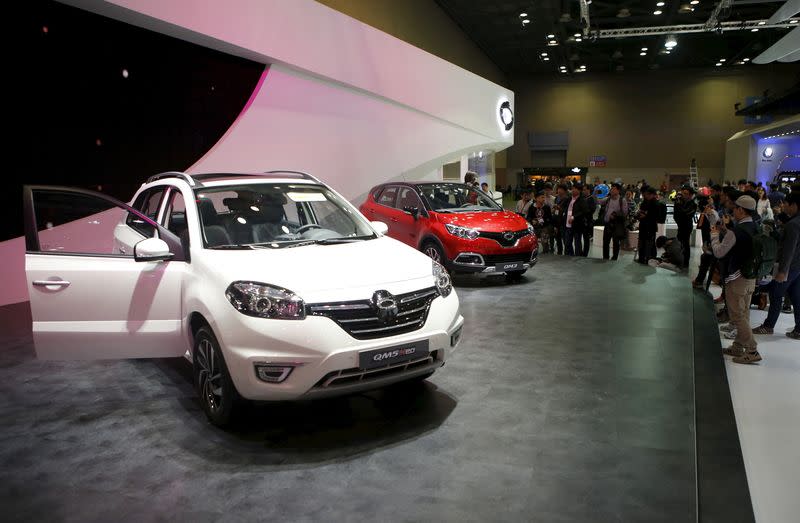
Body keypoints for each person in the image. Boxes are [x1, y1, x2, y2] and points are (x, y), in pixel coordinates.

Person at [711, 195, 761, 364]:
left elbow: (719, 252)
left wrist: (714, 235)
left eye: (734, 208)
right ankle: (738, 346)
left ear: (741, 210)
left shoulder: (736, 231)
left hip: (736, 278)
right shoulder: (756, 227)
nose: (732, 212)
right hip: (750, 277)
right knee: (744, 313)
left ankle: (752, 350)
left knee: (737, 316)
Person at [751, 192, 800, 339]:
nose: (784, 206)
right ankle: (799, 329)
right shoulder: (795, 222)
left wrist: (783, 271)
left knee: (776, 294)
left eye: (786, 203)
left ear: (794, 205)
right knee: (796, 297)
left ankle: (768, 326)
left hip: (789, 267)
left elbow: (789, 249)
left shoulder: (793, 224)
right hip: (797, 267)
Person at [636, 186, 665, 264]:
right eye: (646, 194)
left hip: (650, 227)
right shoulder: (645, 202)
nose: (647, 196)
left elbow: (657, 217)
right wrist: (640, 215)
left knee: (649, 244)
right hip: (643, 226)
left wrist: (645, 216)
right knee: (642, 243)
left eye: (649, 194)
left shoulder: (656, 204)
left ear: (653, 195)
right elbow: (641, 212)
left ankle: (648, 259)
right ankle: (641, 258)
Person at [600, 183, 628, 261]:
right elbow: (598, 201)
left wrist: (615, 215)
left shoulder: (622, 200)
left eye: (613, 188)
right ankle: (605, 257)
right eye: (611, 188)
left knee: (616, 243)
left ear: (618, 190)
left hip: (617, 225)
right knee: (605, 242)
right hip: (607, 224)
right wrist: (595, 193)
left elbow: (625, 213)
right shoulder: (608, 199)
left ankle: (614, 258)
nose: (611, 190)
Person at [673, 185, 697, 268]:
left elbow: (685, 214)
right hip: (680, 225)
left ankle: (686, 262)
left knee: (685, 243)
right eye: (683, 193)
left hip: (687, 226)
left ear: (690, 195)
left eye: (686, 194)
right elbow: (676, 214)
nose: (683, 195)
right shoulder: (680, 202)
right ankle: (679, 260)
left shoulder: (693, 204)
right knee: (679, 243)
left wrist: (679, 205)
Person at [564, 183, 589, 256]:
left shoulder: (582, 200)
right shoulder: (569, 199)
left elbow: (585, 211)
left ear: (579, 190)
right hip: (567, 224)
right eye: (572, 188)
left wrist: (574, 217)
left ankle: (578, 258)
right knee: (567, 242)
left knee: (577, 243)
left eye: (575, 188)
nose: (573, 190)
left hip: (577, 225)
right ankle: (569, 256)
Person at [552, 184, 569, 255]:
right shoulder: (556, 198)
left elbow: (567, 211)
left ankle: (567, 253)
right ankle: (559, 252)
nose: (559, 190)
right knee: (558, 238)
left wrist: (559, 208)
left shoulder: (567, 199)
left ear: (565, 191)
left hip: (563, 222)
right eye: (558, 189)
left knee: (565, 239)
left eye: (561, 189)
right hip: (556, 220)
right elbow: (555, 210)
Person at [581, 184, 597, 256]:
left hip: (587, 221)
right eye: (583, 190)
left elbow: (592, 210)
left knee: (586, 239)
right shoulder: (582, 198)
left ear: (588, 190)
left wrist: (584, 212)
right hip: (581, 221)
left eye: (584, 190)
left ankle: (585, 253)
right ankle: (580, 252)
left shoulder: (591, 199)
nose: (583, 191)